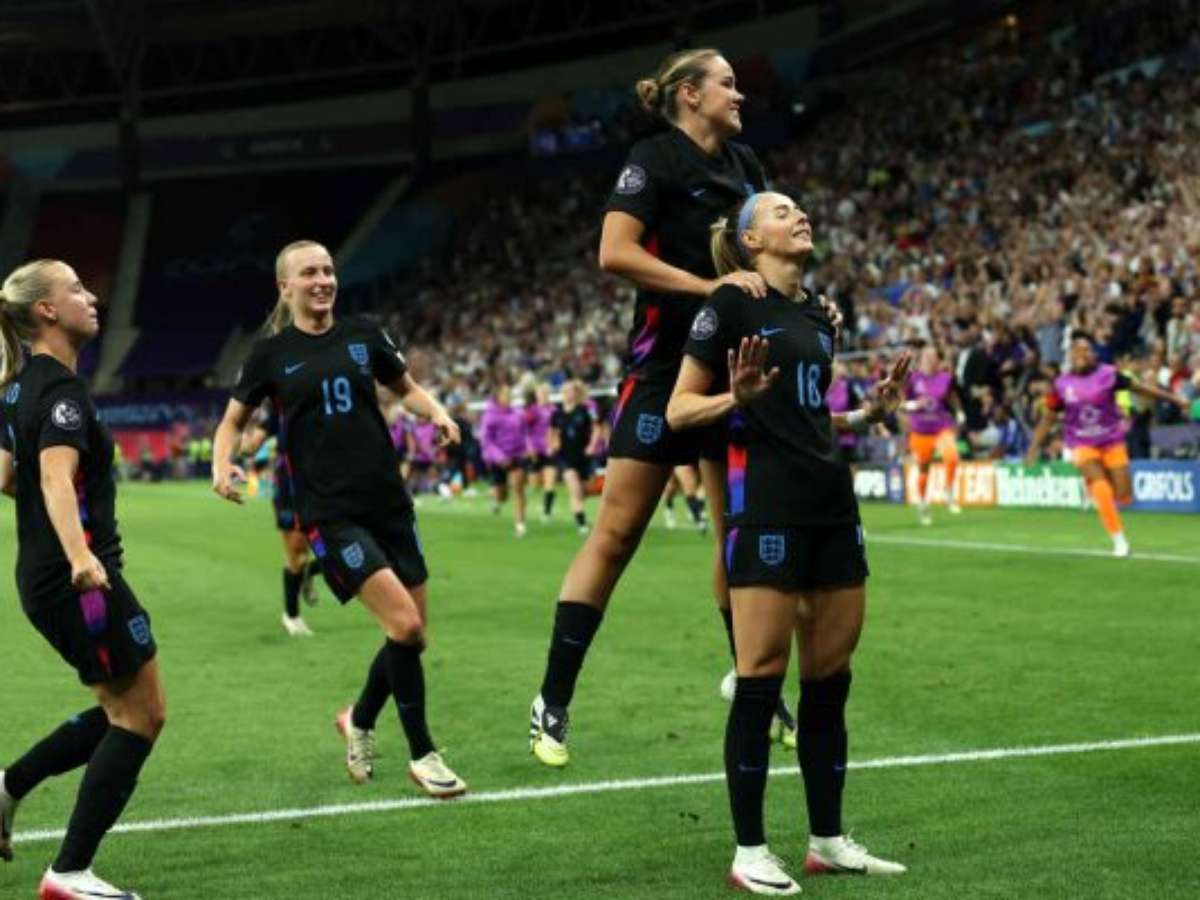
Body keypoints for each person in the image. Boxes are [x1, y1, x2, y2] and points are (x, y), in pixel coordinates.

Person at [529, 47, 791, 767]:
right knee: (616, 534)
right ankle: (552, 700)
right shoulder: (651, 160)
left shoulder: (746, 165)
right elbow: (614, 253)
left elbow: (764, 261)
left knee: (735, 536)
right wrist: (707, 288)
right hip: (661, 372)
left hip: (732, 371)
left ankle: (752, 685)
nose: (740, 94)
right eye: (727, 84)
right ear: (689, 94)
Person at [667, 193, 909, 893]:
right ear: (751, 240)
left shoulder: (818, 315)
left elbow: (809, 414)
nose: (799, 215)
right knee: (760, 677)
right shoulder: (730, 304)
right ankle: (749, 851)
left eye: (801, 208)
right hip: (766, 508)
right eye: (780, 211)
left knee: (830, 681)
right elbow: (680, 409)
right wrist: (734, 400)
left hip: (832, 507)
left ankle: (827, 841)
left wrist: (866, 413)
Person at [212, 239, 466, 797]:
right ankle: (423, 754)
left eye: (328, 270)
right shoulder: (271, 354)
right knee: (405, 627)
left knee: (411, 637)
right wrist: (221, 463)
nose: (323, 280)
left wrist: (438, 413)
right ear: (286, 287)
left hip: (390, 505)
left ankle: (359, 719)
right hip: (330, 515)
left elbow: (405, 389)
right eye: (309, 273)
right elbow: (232, 422)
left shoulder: (365, 333)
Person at [0, 259, 166, 900]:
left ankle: (9, 786)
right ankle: (68, 874)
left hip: (46, 577)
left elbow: (7, 477)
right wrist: (78, 555)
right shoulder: (61, 393)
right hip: (79, 581)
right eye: (75, 288)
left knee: (124, 707)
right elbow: (51, 478)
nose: (91, 296)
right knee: (141, 715)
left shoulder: (17, 388)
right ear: (46, 310)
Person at [1026, 332, 1188, 557]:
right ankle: (1119, 541)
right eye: (1077, 352)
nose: (1082, 355)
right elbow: (1048, 417)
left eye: (1086, 351)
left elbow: (1140, 388)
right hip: (1081, 442)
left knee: (1124, 496)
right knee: (1101, 486)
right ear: (1070, 356)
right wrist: (1033, 447)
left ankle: (1093, 487)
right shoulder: (1061, 384)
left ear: (1093, 354)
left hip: (1111, 440)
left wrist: (1174, 399)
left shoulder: (1108, 375)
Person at [240, 402, 321, 636]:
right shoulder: (281, 411)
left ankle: (308, 572)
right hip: (290, 487)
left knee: (336, 548)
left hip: (324, 482)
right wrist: (243, 441)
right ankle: (292, 615)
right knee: (297, 552)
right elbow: (251, 445)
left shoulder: (324, 403)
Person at [904, 345, 963, 525]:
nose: (929, 359)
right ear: (921, 359)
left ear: (938, 360)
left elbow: (952, 397)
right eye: (926, 356)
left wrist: (960, 412)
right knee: (924, 469)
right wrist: (913, 405)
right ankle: (923, 504)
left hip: (941, 426)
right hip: (920, 430)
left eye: (933, 356)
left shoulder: (945, 378)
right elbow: (898, 401)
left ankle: (949, 492)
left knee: (952, 456)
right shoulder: (912, 378)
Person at [478, 384, 529, 537]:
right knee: (502, 496)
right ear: (498, 397)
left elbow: (525, 432)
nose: (509, 397)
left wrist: (527, 448)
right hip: (498, 460)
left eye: (510, 394)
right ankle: (495, 498)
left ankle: (520, 525)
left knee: (518, 488)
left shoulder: (518, 412)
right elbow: (486, 441)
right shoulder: (489, 416)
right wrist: (500, 457)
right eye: (506, 394)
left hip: (517, 457)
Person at [549, 379, 596, 535]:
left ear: (576, 393)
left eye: (570, 391)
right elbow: (552, 432)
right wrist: (553, 444)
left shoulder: (585, 410)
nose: (567, 394)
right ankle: (582, 523)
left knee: (585, 490)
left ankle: (579, 510)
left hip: (583, 456)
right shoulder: (557, 413)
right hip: (565, 456)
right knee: (574, 487)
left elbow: (596, 428)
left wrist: (592, 445)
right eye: (565, 391)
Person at [525, 384, 559, 522]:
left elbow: (558, 430)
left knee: (549, 482)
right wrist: (529, 448)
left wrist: (555, 444)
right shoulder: (532, 410)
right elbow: (525, 431)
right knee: (534, 484)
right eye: (541, 392)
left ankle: (547, 512)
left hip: (550, 450)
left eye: (546, 392)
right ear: (536, 395)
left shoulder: (554, 410)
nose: (544, 395)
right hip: (535, 450)